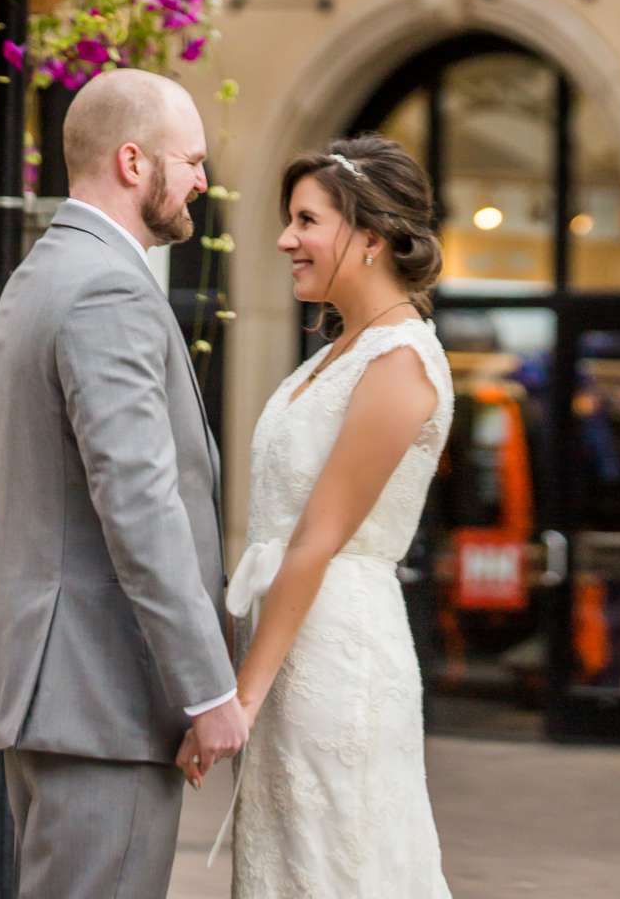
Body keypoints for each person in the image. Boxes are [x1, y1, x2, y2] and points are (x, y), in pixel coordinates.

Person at [0, 67, 247, 899]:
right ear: (134, 162)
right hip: (104, 701)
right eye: (190, 160)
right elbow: (140, 508)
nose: (202, 179)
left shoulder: (42, 273)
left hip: (61, 692)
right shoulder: (109, 292)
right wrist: (206, 689)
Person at [185, 133, 456, 898]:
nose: (285, 240)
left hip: (337, 664)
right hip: (290, 649)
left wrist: (241, 696)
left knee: (338, 868)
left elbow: (317, 539)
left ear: (369, 238)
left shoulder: (400, 361)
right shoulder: (338, 353)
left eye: (306, 220)